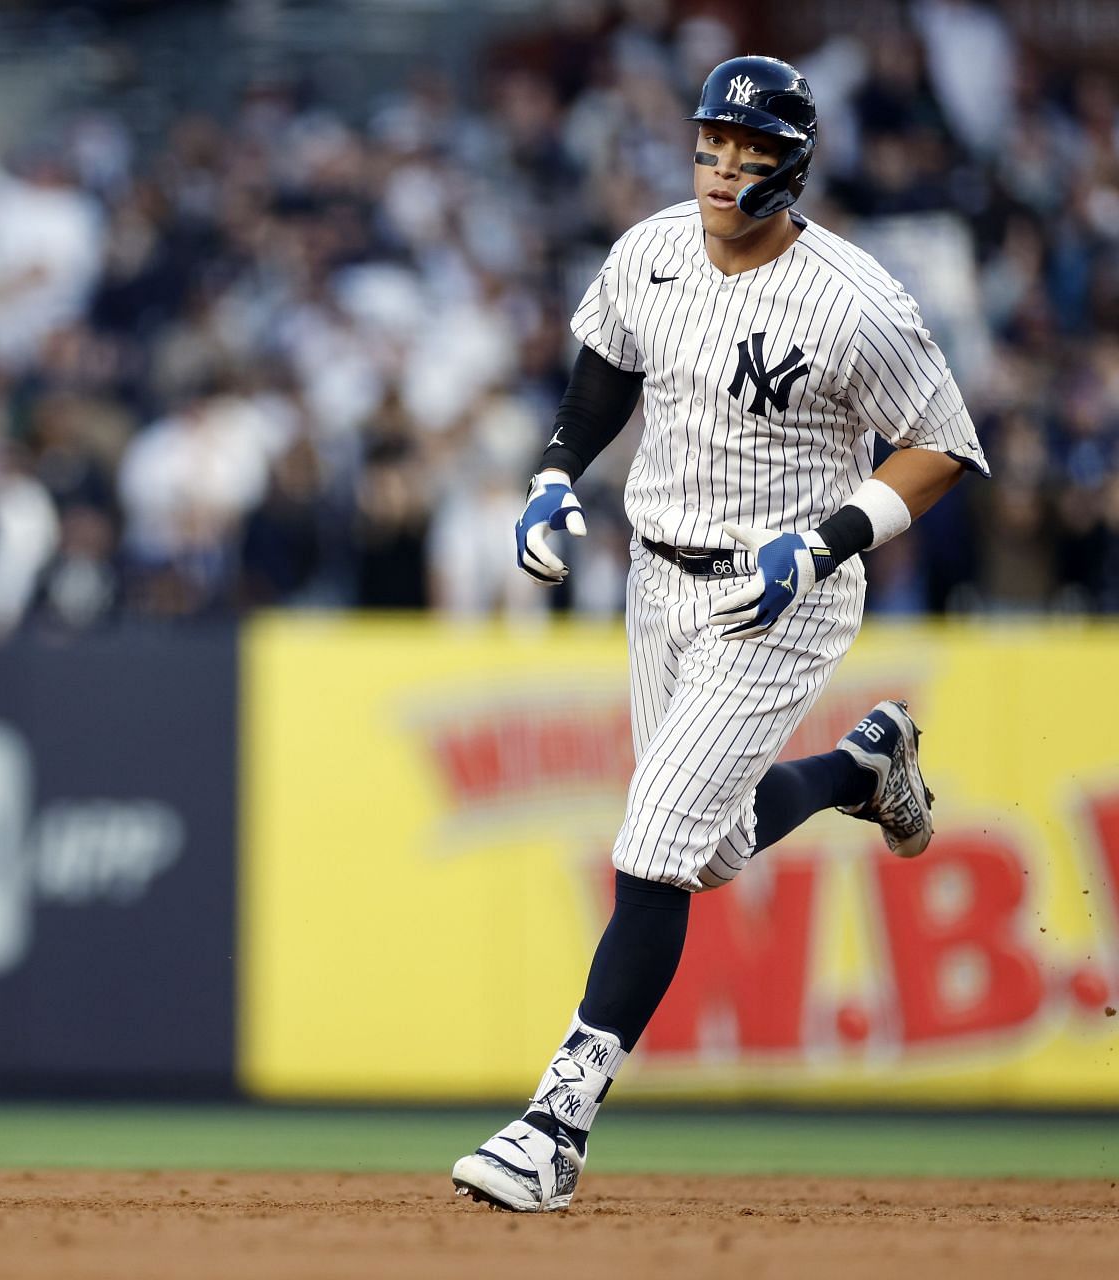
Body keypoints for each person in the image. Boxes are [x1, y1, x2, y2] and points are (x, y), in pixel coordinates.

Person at [452, 56, 989, 1212]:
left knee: (650, 845)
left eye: (748, 152)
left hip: (779, 591)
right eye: (711, 141)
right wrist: (551, 476)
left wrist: (835, 537)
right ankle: (864, 765)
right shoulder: (648, 250)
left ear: (789, 167)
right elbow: (602, 379)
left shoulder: (852, 297)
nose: (722, 165)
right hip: (658, 577)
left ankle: (557, 1123)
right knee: (710, 847)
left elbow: (943, 444)